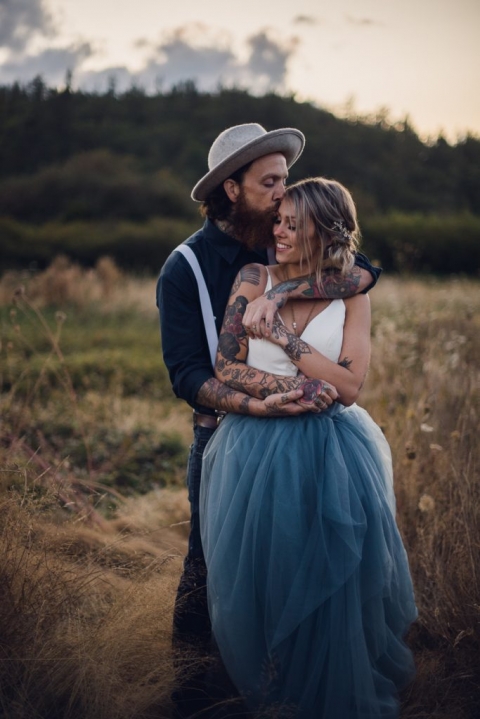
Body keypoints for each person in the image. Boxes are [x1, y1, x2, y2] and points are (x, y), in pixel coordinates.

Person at [156, 124, 380, 715]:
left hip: (320, 436)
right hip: (226, 438)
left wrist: (281, 299)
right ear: (232, 189)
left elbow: (362, 272)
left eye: (286, 184)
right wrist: (271, 399)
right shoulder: (188, 267)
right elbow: (190, 373)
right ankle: (194, 690)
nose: (284, 198)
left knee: (311, 564)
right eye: (271, 184)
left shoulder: (283, 244)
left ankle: (296, 681)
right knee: (210, 568)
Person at [200, 177, 417, 719]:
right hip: (255, 447)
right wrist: (292, 391)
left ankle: (329, 691)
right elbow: (226, 366)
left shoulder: (353, 295)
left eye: (291, 224)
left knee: (328, 575)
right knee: (266, 575)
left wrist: (284, 340)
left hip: (333, 452)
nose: (278, 230)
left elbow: (347, 387)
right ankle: (276, 693)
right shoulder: (254, 277)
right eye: (278, 220)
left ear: (323, 230)